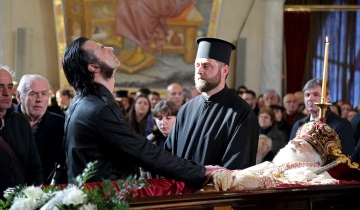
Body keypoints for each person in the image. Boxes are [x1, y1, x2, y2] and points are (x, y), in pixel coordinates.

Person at [62, 37, 227, 189]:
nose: (111, 48)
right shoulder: (99, 108)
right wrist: (200, 171)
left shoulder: (80, 103)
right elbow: (143, 152)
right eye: (102, 48)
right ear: (93, 67)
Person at [165, 37, 259, 170]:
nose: (199, 71)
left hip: (214, 190)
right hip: (181, 190)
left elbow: (236, 170)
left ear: (224, 70)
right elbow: (170, 155)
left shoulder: (241, 113)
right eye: (197, 65)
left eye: (206, 66)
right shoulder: (186, 110)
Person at [211, 121, 357, 191]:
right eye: (295, 139)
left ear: (316, 155)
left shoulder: (315, 172)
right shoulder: (270, 164)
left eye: (302, 142)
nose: (294, 142)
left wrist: (253, 182)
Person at [14, 74, 65, 184]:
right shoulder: (5, 124)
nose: (39, 99)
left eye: (44, 94)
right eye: (33, 94)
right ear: (18, 96)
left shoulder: (61, 125)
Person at [0, 66, 43, 196]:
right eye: (0, 87)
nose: (7, 93)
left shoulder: (19, 122)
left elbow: (34, 168)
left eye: (9, 86)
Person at [289, 78, 355, 156]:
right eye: (307, 95)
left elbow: (346, 158)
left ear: (327, 98)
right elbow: (291, 153)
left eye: (316, 94)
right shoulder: (299, 125)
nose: (310, 98)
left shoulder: (341, 126)